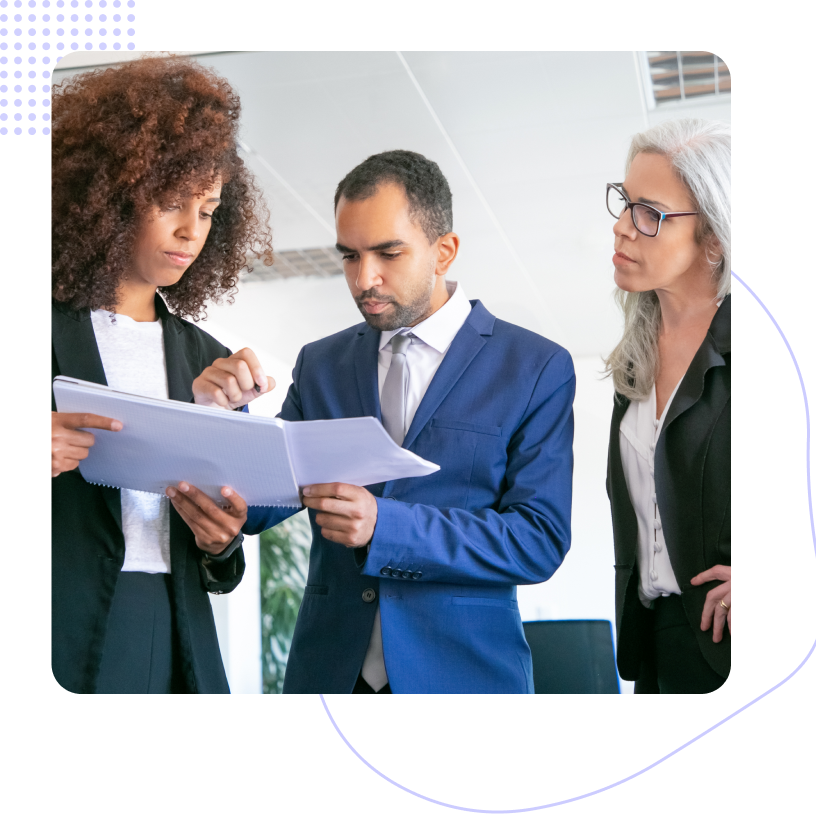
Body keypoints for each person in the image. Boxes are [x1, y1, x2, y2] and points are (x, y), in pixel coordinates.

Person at [194, 150, 575, 693]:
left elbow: (538, 540)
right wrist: (223, 417)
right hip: (329, 674)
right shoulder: (320, 364)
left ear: (445, 251)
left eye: (387, 253)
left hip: (463, 675)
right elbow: (257, 505)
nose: (363, 278)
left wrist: (386, 526)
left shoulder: (535, 366)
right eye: (349, 255)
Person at [51, 56, 274, 693]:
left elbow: (224, 546)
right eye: (170, 203)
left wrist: (220, 539)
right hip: (64, 627)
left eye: (207, 210)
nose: (190, 231)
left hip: (176, 635)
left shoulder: (207, 356)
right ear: (110, 195)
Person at [604, 118, 731, 693]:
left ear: (713, 236)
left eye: (649, 213)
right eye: (625, 203)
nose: (622, 228)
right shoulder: (635, 355)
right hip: (651, 637)